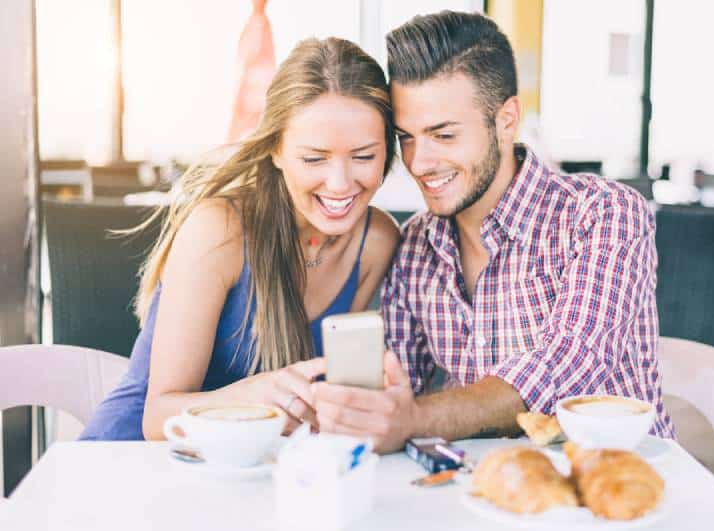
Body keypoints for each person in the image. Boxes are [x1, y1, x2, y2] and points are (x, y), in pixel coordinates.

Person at [312, 11, 674, 453]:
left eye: (443, 135)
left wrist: (413, 418)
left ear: (506, 119)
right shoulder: (415, 247)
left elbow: (564, 370)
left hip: (616, 495)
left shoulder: (602, 214)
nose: (419, 162)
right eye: (406, 137)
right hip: (481, 496)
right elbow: (393, 388)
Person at [80, 37, 400, 440]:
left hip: (249, 474)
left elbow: (334, 390)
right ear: (276, 151)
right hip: (132, 461)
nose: (340, 184)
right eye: (314, 158)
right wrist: (251, 397)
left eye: (364, 156)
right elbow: (157, 419)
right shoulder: (220, 230)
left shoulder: (375, 240)